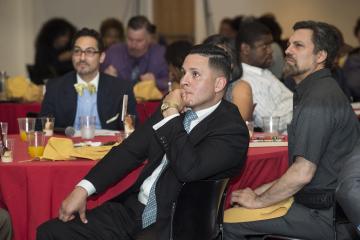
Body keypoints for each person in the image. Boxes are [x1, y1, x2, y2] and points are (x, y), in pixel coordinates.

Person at [36, 44, 249, 240]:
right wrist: (82, 189)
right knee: (51, 232)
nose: (184, 81)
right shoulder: (172, 108)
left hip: (176, 224)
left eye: (195, 75)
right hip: (134, 211)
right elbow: (129, 150)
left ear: (219, 83)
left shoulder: (231, 129)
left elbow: (188, 169)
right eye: (184, 72)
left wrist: (172, 114)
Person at [224, 20, 360, 240]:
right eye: (288, 44)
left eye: (298, 46)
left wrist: (258, 200)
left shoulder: (318, 99)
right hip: (325, 207)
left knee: (227, 223)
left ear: (320, 56)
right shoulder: (318, 90)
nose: (287, 50)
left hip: (325, 216)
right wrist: (258, 192)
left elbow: (302, 173)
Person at [40, 28, 136, 131]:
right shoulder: (54, 87)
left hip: (108, 146)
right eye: (77, 51)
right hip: (68, 145)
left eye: (89, 51)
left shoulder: (122, 89)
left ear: (102, 57)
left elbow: (129, 131)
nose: (82, 58)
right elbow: (43, 130)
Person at [236, 20, 293, 132]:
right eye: (265, 46)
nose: (271, 50)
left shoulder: (264, 72)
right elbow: (270, 123)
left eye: (270, 45)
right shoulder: (246, 81)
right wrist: (299, 107)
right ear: (245, 49)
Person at [101, 15, 169, 91]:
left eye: (139, 40)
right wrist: (105, 78)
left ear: (149, 38)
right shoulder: (113, 53)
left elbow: (173, 83)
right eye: (130, 39)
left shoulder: (162, 55)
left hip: (152, 101)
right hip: (119, 100)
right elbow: (94, 80)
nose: (133, 45)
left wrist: (156, 82)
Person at [202, 34, 251, 122]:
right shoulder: (197, 86)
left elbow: (236, 126)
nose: (212, 63)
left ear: (232, 63)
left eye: (219, 58)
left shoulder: (240, 88)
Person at [32, 18, 77, 85]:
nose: (66, 39)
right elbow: (43, 70)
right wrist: (59, 59)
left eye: (68, 36)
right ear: (54, 35)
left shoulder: (70, 50)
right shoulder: (43, 51)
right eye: (63, 35)